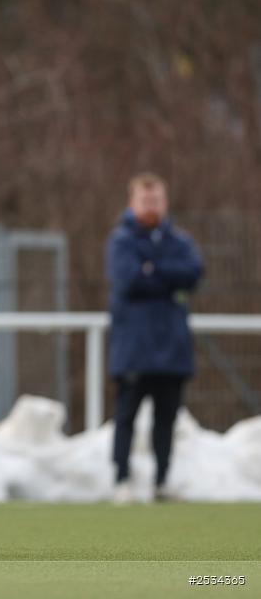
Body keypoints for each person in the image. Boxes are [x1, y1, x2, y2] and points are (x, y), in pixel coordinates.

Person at [106, 172, 203, 503]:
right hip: (134, 349)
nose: (152, 206)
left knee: (167, 420)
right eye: (146, 200)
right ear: (133, 202)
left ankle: (162, 482)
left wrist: (152, 270)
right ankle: (121, 479)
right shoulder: (121, 241)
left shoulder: (179, 241)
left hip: (173, 349)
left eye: (157, 199)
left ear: (165, 201)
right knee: (126, 418)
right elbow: (129, 280)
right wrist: (165, 278)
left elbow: (193, 273)